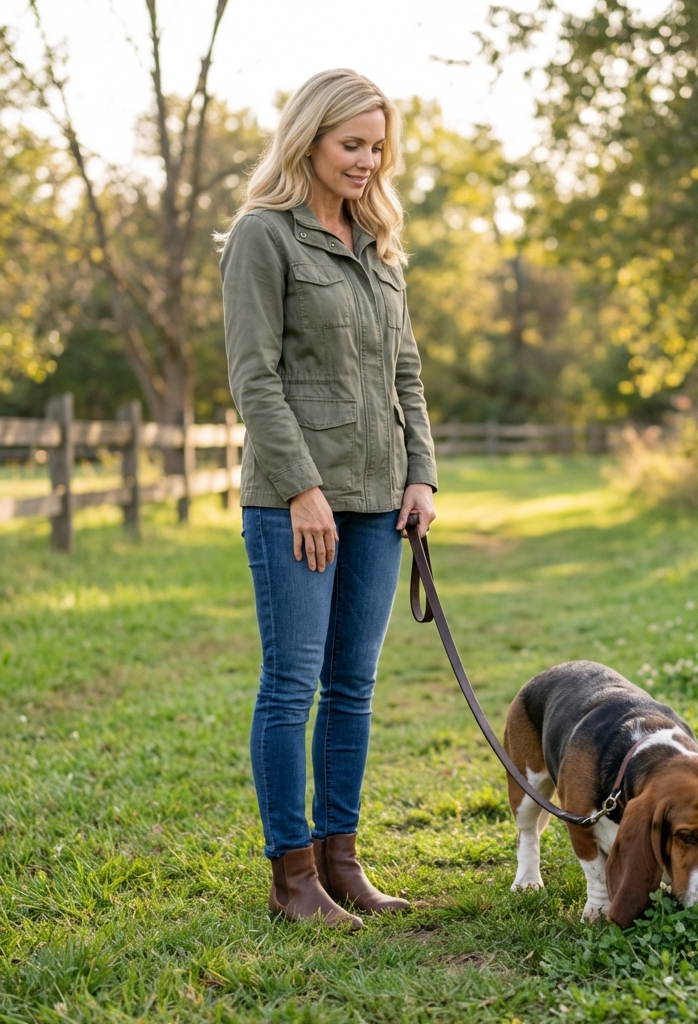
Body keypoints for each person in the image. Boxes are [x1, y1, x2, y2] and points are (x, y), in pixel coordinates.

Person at [219, 69, 436, 930]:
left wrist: (420, 475)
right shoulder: (261, 237)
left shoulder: (379, 241)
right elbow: (253, 379)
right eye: (353, 145)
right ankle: (293, 879)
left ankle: (343, 864)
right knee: (292, 685)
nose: (367, 161)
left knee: (354, 685)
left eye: (377, 147)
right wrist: (303, 489)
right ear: (308, 139)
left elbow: (407, 374)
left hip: (381, 501)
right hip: (292, 504)